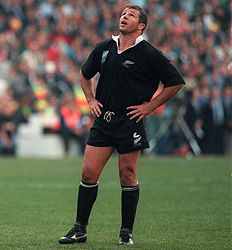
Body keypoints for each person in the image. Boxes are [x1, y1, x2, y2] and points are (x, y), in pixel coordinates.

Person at [58, 5, 185, 246]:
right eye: (123, 13)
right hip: (104, 121)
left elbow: (176, 82)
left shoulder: (149, 53)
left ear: (141, 26)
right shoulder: (105, 47)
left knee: (127, 175)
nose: (124, 16)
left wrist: (150, 107)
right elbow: (85, 74)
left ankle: (126, 233)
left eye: (131, 15)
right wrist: (91, 99)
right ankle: (79, 229)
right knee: (88, 173)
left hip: (130, 122)